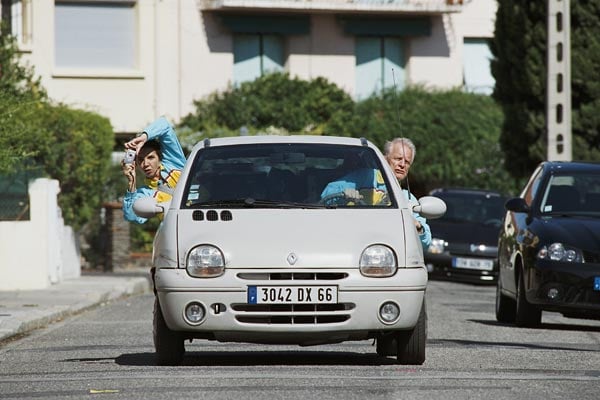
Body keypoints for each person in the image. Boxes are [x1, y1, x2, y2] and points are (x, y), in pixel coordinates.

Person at [121, 116, 186, 224]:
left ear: (160, 158)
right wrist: (131, 181)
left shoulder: (175, 162)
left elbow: (164, 124)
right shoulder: (145, 193)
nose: (145, 164)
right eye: (141, 160)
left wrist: (144, 137)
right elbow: (132, 217)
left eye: (150, 157)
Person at [384, 137, 432, 249]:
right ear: (385, 158)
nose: (402, 165)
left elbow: (426, 244)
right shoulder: (367, 179)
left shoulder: (408, 198)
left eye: (407, 162)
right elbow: (335, 188)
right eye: (398, 158)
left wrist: (418, 228)